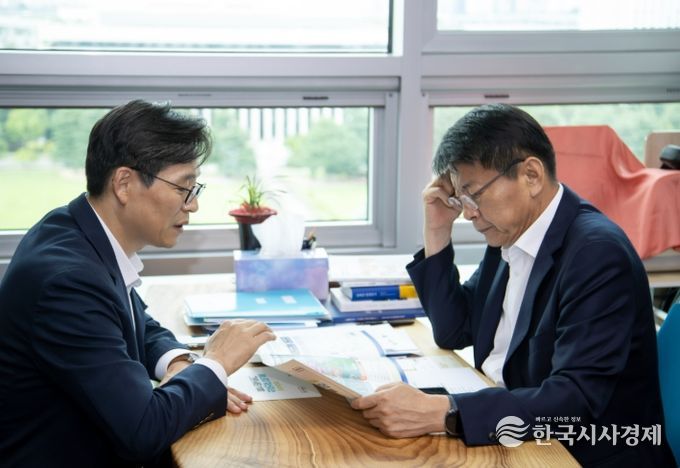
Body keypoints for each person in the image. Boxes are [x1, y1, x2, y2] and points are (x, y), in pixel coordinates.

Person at [351, 104, 676, 467]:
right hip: (518, 436)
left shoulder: (597, 254)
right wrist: (437, 229)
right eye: (461, 199)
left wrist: (445, 412)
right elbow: (454, 330)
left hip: (581, 453)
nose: (468, 213)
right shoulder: (509, 234)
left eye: (474, 194)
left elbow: (576, 400)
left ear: (531, 175)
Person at [0, 100, 276, 467]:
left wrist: (179, 362)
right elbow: (143, 431)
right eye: (183, 187)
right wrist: (216, 363)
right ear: (124, 184)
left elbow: (130, 321)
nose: (192, 205)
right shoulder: (67, 282)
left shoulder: (76, 229)